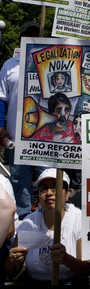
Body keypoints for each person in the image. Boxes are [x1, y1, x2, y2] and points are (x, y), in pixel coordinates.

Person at [4, 168, 90, 284]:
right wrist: (13, 261)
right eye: (44, 188)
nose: (49, 193)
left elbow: (86, 270)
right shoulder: (28, 223)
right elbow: (10, 273)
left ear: (67, 193)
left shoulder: (78, 219)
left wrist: (66, 259)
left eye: (55, 187)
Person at [0, 21, 45, 220]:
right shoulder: (9, 65)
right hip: (17, 136)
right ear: (21, 38)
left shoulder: (51, 61)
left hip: (45, 136)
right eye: (28, 34)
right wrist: (1, 127)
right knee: (19, 179)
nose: (32, 38)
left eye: (36, 35)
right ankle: (25, 219)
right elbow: (1, 99)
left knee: (48, 177)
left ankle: (49, 218)